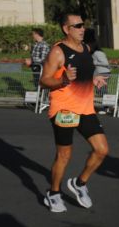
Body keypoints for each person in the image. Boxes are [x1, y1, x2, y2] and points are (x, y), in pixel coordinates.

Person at [38, 14, 110, 212]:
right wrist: (63, 80)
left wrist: (94, 80)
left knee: (102, 150)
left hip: (86, 109)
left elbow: (84, 74)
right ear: (66, 29)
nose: (82, 29)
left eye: (83, 25)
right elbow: (43, 81)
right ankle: (53, 193)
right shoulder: (58, 52)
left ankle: (79, 184)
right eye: (77, 26)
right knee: (64, 156)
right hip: (63, 110)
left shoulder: (86, 49)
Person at [85, 29, 111, 115]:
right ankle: (106, 107)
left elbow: (105, 62)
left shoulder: (97, 53)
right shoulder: (95, 53)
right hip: (100, 73)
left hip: (102, 73)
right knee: (101, 90)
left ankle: (106, 108)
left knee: (102, 90)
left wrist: (93, 62)